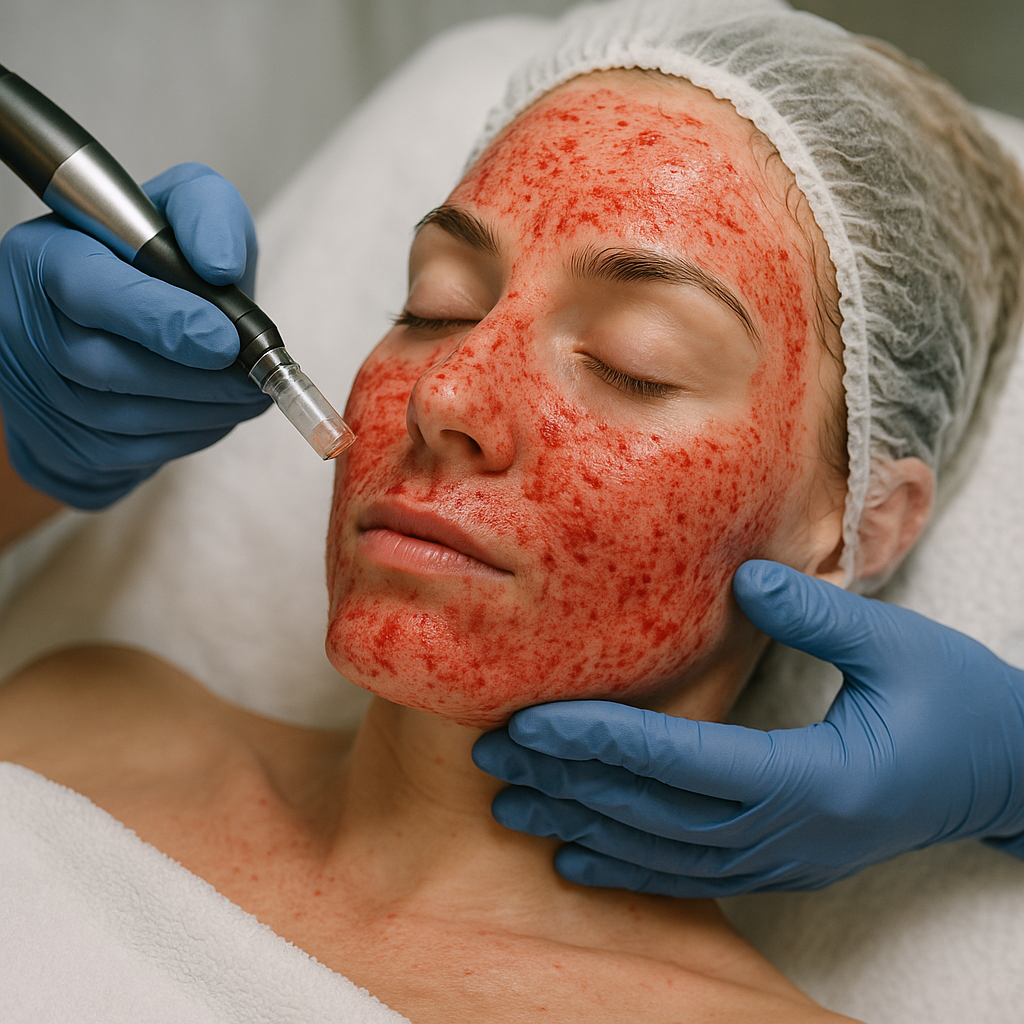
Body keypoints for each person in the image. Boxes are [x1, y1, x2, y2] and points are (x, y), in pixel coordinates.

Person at [0, 0, 1023, 952]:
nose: (446, 394)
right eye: (435, 306)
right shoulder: (78, 707)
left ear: (861, 524)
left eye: (636, 362)